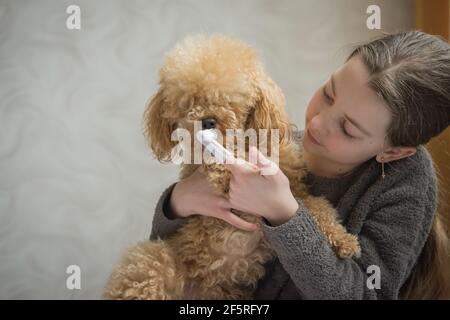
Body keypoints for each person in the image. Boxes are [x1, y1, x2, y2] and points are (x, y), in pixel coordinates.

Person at [149, 31, 450, 299]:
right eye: (328, 94)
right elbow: (172, 248)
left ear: (393, 152)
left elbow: (366, 293)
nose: (316, 124)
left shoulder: (406, 182)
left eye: (348, 129)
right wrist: (178, 201)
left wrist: (283, 214)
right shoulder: (273, 142)